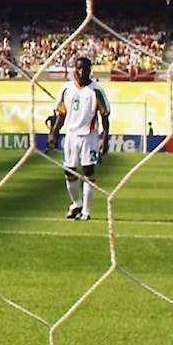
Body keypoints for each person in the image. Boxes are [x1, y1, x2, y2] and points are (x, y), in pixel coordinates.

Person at [48, 56, 110, 221]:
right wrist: (54, 134)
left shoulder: (96, 91)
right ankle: (76, 203)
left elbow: (104, 116)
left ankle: (86, 212)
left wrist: (105, 138)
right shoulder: (66, 89)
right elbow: (61, 114)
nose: (81, 72)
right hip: (70, 136)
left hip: (89, 137)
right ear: (74, 70)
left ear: (90, 71)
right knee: (69, 172)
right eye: (78, 68)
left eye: (85, 69)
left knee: (88, 171)